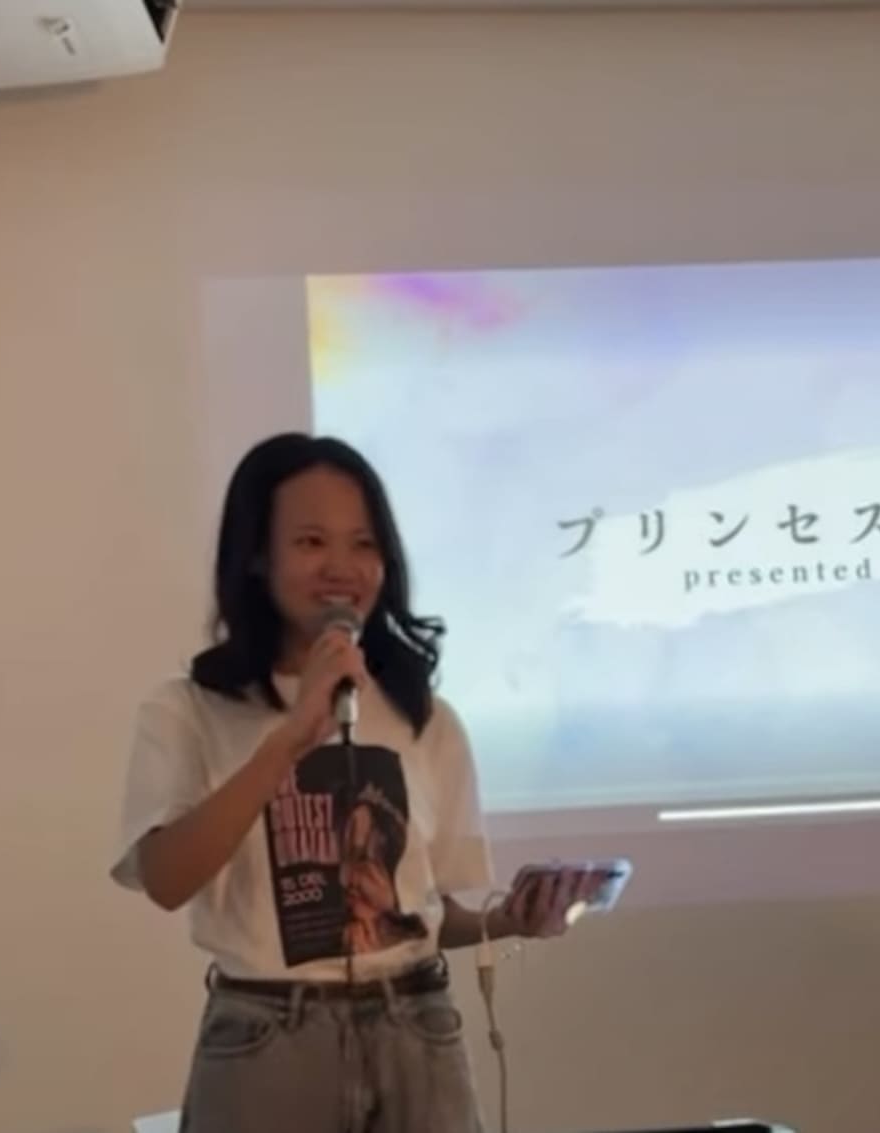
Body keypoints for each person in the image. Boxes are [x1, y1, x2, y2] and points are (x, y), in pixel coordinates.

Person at [111, 432, 589, 1133]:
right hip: (269, 1036)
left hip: (416, 1024)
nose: (342, 566)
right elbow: (165, 878)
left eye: (364, 544)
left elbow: (425, 915)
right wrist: (290, 736)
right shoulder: (189, 710)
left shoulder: (426, 718)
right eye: (311, 542)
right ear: (256, 555)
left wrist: (514, 917)